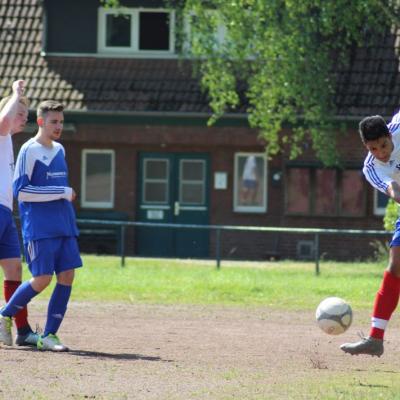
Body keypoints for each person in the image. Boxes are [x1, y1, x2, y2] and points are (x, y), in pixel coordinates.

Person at [0, 100, 82, 351]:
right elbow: (22, 192)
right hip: (40, 227)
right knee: (42, 279)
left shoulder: (60, 149)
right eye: (53, 121)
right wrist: (62, 191)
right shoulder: (29, 149)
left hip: (64, 225)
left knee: (67, 275)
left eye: (61, 122)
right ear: (41, 122)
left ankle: (49, 335)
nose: (58, 126)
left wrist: (63, 198)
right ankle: (4, 315)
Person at [340, 110, 400, 357]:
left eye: (384, 145)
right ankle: (375, 339)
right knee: (395, 266)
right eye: (373, 149)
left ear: (389, 134)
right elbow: (394, 189)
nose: (381, 153)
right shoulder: (371, 167)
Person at [0, 80, 38, 346]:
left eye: (26, 115)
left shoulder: (9, 142)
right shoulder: (2, 132)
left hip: (5, 212)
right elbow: (3, 122)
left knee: (14, 269)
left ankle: (22, 331)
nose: (24, 118)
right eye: (20, 113)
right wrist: (15, 94)